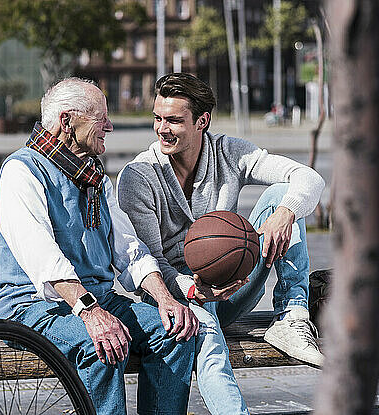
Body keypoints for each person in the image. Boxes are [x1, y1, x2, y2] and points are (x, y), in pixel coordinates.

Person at [117, 73, 325, 414]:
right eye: (158, 118)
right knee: (211, 348)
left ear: (202, 121)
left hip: (236, 283)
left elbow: (309, 177)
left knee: (280, 195)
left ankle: (291, 316)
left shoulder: (229, 152)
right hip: (181, 296)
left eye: (173, 120)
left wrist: (285, 212)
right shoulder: (139, 177)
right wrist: (191, 290)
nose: (162, 129)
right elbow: (148, 262)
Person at [0, 77, 199, 415]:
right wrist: (90, 312)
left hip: (96, 300)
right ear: (67, 121)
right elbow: (44, 258)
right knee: (99, 344)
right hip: (30, 306)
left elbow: (130, 249)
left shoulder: (95, 177)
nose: (110, 125)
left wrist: (165, 299)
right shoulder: (22, 170)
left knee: (176, 331)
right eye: (100, 118)